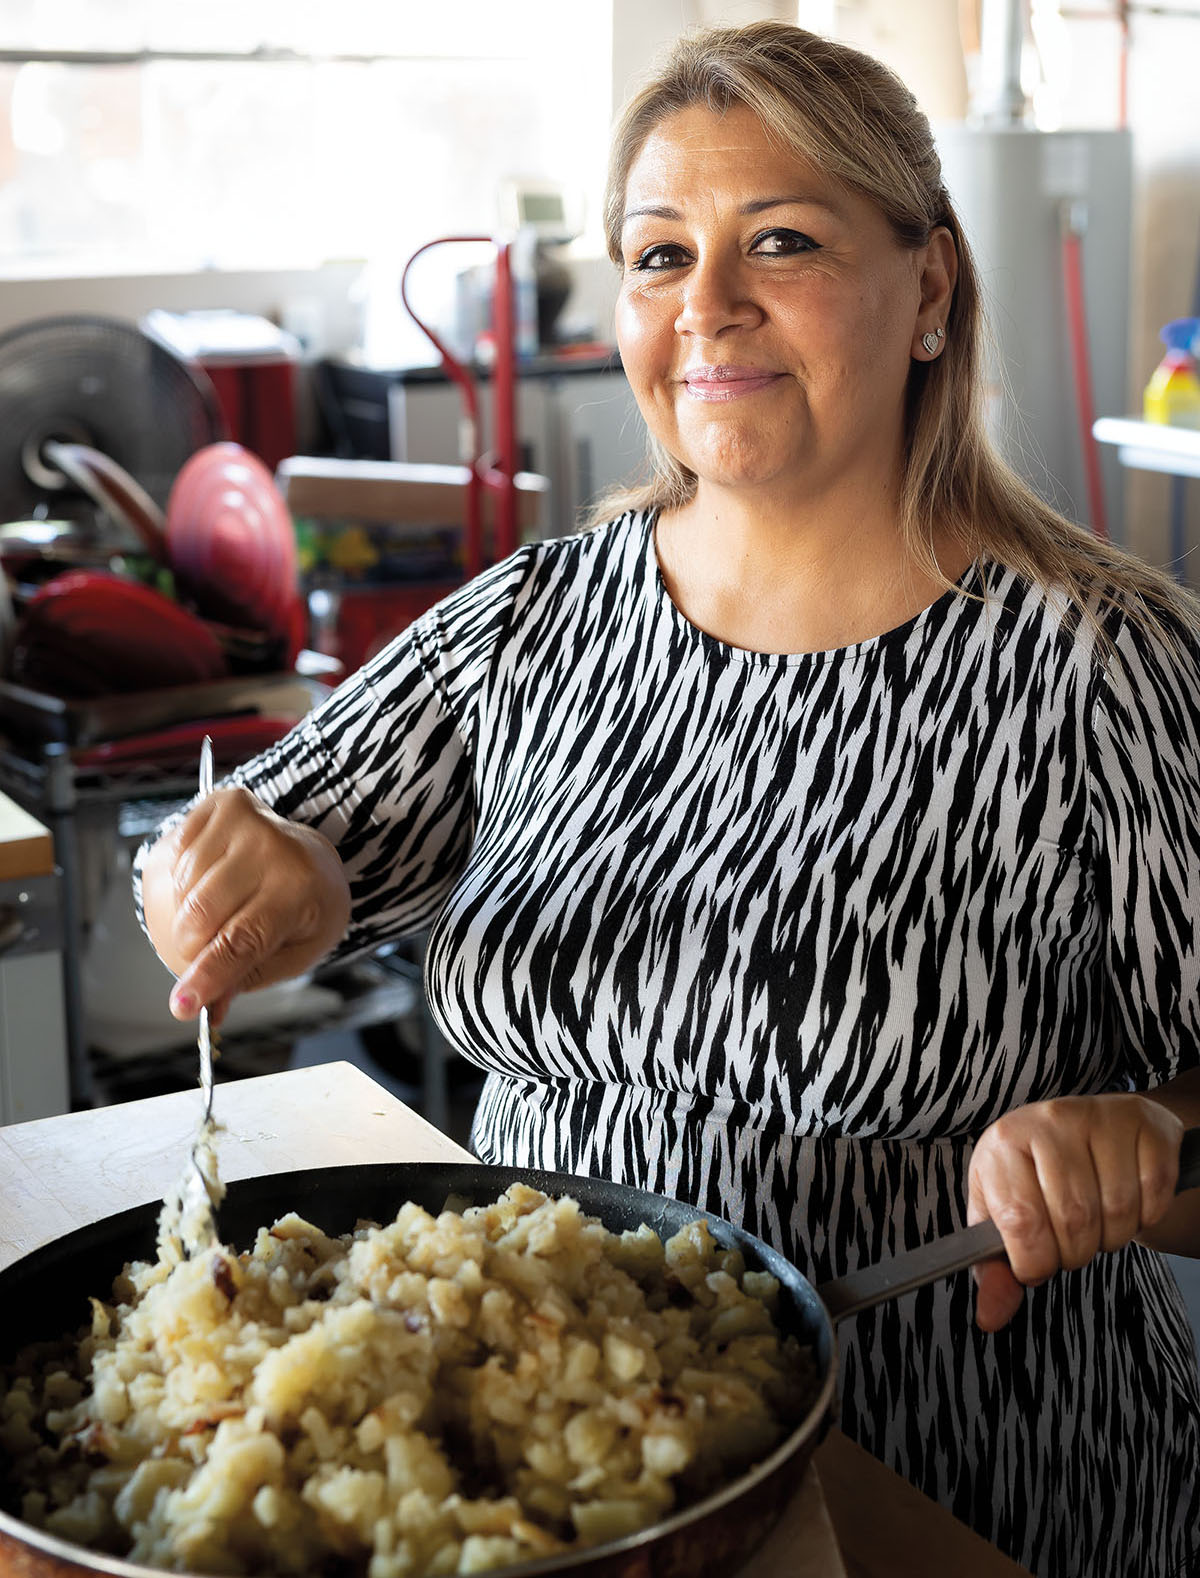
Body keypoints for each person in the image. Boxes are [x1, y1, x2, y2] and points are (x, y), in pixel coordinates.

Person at [137, 22, 1200, 1578]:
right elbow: (269, 841)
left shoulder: (1111, 667)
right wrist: (245, 875)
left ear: (929, 291)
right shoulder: (534, 622)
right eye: (657, 254)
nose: (705, 307)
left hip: (958, 1487)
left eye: (781, 241)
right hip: (549, 1482)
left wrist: (1144, 1136)